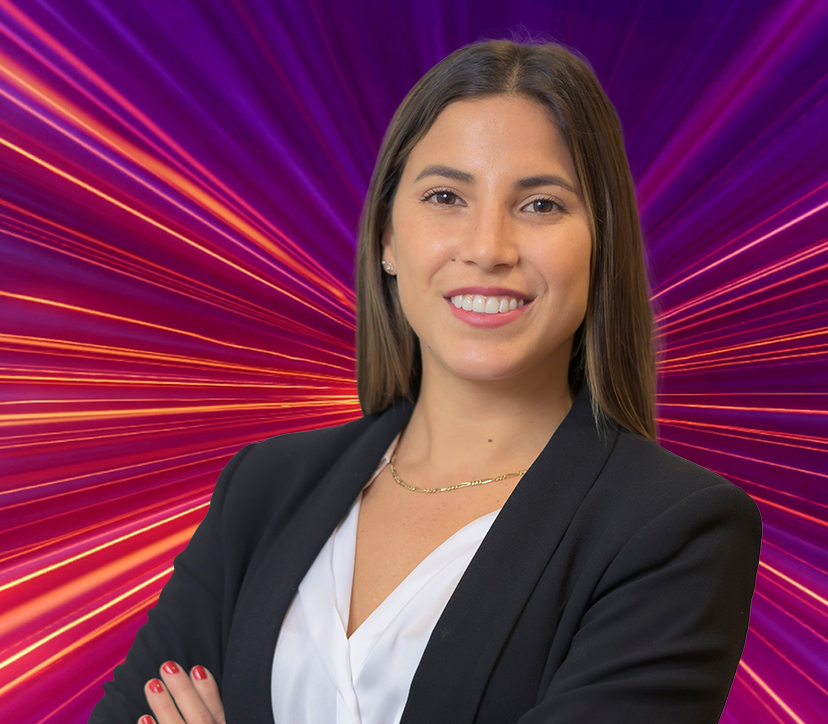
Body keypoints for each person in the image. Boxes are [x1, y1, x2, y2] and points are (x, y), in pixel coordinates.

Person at [87, 37, 761, 724]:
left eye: (541, 206)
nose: (487, 248)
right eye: (446, 196)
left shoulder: (675, 531)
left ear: (602, 243)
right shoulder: (264, 490)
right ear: (387, 236)